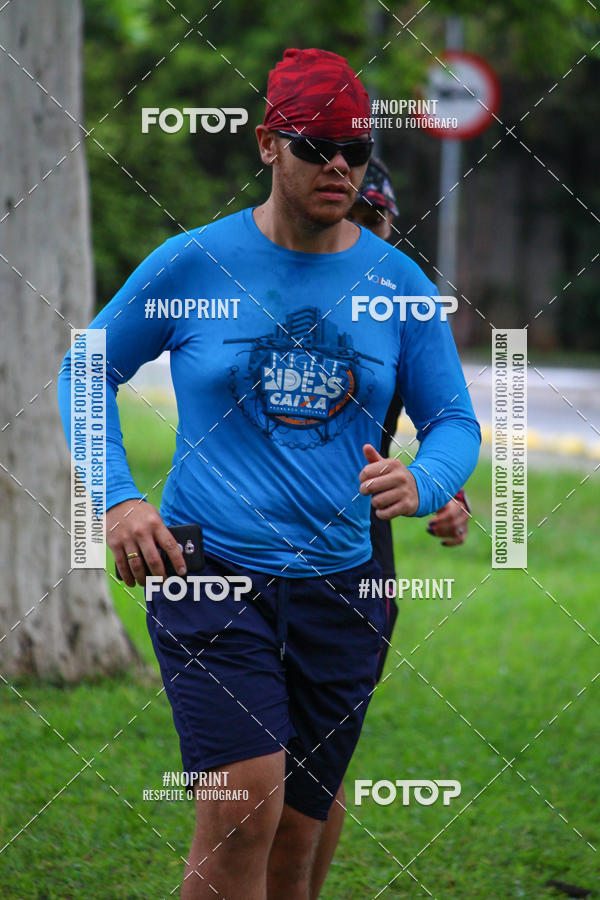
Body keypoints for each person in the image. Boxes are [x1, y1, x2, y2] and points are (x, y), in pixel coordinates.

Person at [58, 48, 480, 900]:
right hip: (207, 569)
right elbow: (85, 368)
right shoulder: (192, 263)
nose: (338, 166)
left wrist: (426, 481)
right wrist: (118, 501)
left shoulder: (397, 283)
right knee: (245, 804)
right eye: (316, 145)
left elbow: (453, 423)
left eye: (355, 150)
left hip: (346, 589)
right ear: (266, 146)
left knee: (299, 835)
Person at [309, 156, 472, 899]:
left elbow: (442, 418)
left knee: (322, 760)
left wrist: (447, 494)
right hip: (249, 551)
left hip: (358, 554)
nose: (369, 236)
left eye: (379, 221)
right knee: (247, 768)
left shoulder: (394, 304)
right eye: (360, 219)